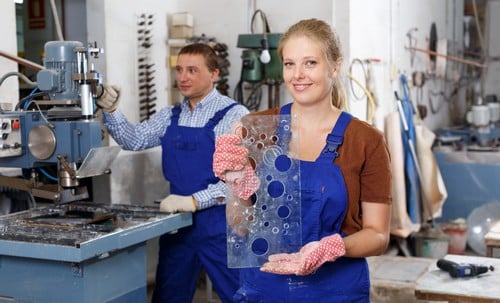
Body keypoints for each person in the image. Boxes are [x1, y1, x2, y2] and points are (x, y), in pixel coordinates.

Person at [213, 18, 392, 302]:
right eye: (289, 64)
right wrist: (237, 182)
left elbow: (378, 236)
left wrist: (330, 248)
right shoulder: (256, 128)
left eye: (310, 63)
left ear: (334, 66)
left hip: (336, 290)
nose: (298, 75)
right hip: (265, 286)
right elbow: (240, 226)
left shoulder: (365, 140)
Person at [97, 43, 249, 302]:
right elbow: (133, 140)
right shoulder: (170, 115)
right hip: (178, 224)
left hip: (222, 224)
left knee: (243, 296)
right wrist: (111, 111)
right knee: (169, 296)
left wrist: (193, 201)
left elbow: (239, 180)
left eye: (192, 70)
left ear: (214, 74)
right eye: (179, 70)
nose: (183, 77)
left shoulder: (233, 115)